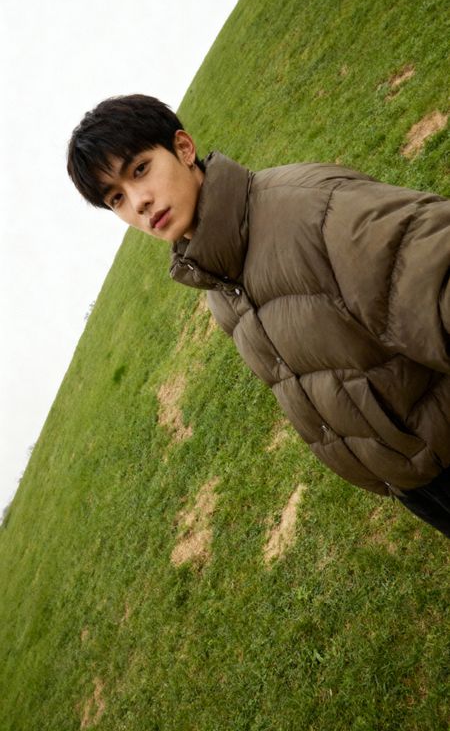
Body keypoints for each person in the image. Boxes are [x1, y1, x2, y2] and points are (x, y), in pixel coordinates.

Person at [67, 94, 450, 538]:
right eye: (116, 198)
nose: (139, 203)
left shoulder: (314, 209)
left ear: (184, 149)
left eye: (140, 169)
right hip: (415, 482)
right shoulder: (218, 283)